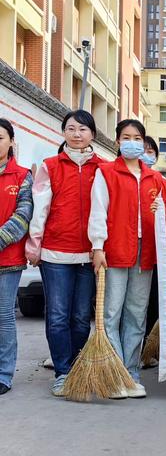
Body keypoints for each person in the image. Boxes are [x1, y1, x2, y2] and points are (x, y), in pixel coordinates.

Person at [89, 119, 166, 399]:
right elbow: (98, 210)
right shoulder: (106, 173)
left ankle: (131, 372)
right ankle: (115, 375)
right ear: (117, 142)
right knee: (111, 312)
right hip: (114, 249)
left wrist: (162, 211)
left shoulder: (156, 179)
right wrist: (98, 246)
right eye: (126, 137)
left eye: (137, 137)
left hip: (145, 252)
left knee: (136, 315)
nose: (132, 142)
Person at [26, 110, 102, 397]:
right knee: (57, 315)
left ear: (92, 134)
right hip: (55, 253)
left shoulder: (102, 168)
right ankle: (62, 372)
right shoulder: (50, 166)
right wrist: (34, 245)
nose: (77, 134)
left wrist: (100, 247)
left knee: (81, 317)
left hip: (88, 254)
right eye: (71, 128)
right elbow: (40, 209)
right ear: (63, 133)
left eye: (83, 129)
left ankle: (78, 368)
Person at [0, 119, 33, 395]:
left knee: (4, 317)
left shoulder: (22, 176)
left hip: (8, 260)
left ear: (11, 141)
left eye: (0, 138)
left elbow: (23, 216)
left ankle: (4, 374)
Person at [139, 136, 166, 367]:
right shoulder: (116, 177)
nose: (146, 154)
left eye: (151, 151)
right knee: (134, 307)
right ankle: (133, 354)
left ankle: (151, 351)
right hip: (132, 253)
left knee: (153, 304)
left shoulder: (164, 184)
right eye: (143, 149)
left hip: (160, 254)